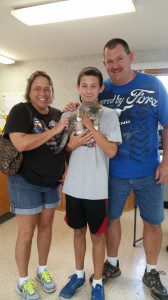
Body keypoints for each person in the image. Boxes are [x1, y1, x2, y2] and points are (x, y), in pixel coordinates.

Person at [90, 38, 168, 300]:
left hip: (149, 172)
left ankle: (152, 270)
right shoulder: (104, 92)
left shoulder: (153, 85)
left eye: (119, 58)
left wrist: (166, 162)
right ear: (105, 64)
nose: (115, 65)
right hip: (113, 173)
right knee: (111, 220)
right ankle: (112, 264)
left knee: (153, 223)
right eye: (109, 61)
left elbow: (167, 126)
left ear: (130, 57)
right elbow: (87, 120)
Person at [3, 71, 91, 300]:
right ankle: (23, 281)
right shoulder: (21, 111)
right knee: (26, 233)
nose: (42, 93)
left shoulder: (57, 114)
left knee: (46, 228)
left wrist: (71, 113)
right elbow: (21, 143)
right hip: (25, 182)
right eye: (37, 89)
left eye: (47, 88)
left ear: (52, 92)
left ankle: (42, 270)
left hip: (51, 183)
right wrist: (54, 129)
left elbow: (63, 145)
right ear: (29, 92)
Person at [58, 67, 122, 300]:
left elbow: (112, 151)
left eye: (93, 86)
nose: (88, 90)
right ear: (78, 87)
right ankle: (77, 275)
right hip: (74, 186)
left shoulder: (109, 115)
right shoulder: (67, 115)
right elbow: (62, 148)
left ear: (101, 88)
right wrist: (71, 145)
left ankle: (97, 282)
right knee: (78, 232)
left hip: (96, 188)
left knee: (97, 236)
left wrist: (90, 125)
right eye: (84, 85)